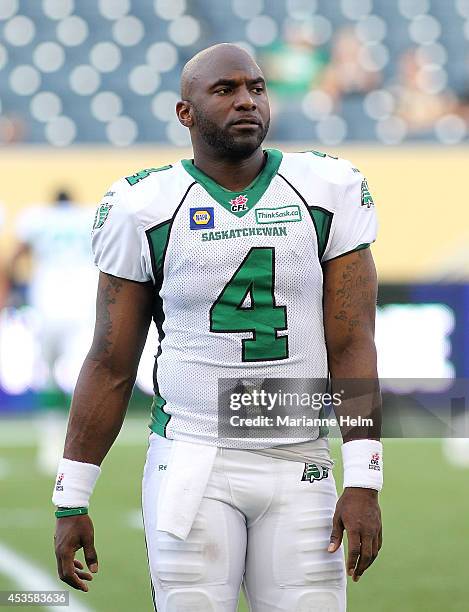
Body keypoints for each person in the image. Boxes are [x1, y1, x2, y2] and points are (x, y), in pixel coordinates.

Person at [53, 44, 382, 612]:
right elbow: (110, 362)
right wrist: (71, 497)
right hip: (192, 459)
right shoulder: (143, 205)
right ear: (186, 113)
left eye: (256, 87)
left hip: (299, 455)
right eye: (225, 90)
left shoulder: (329, 188)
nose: (246, 101)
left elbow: (352, 342)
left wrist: (364, 478)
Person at [8, 190, 97, 474]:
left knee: (46, 375)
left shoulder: (37, 218)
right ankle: (80, 447)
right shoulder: (89, 215)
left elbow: (14, 258)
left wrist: (15, 287)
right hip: (82, 304)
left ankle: (50, 444)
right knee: (79, 376)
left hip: (47, 303)